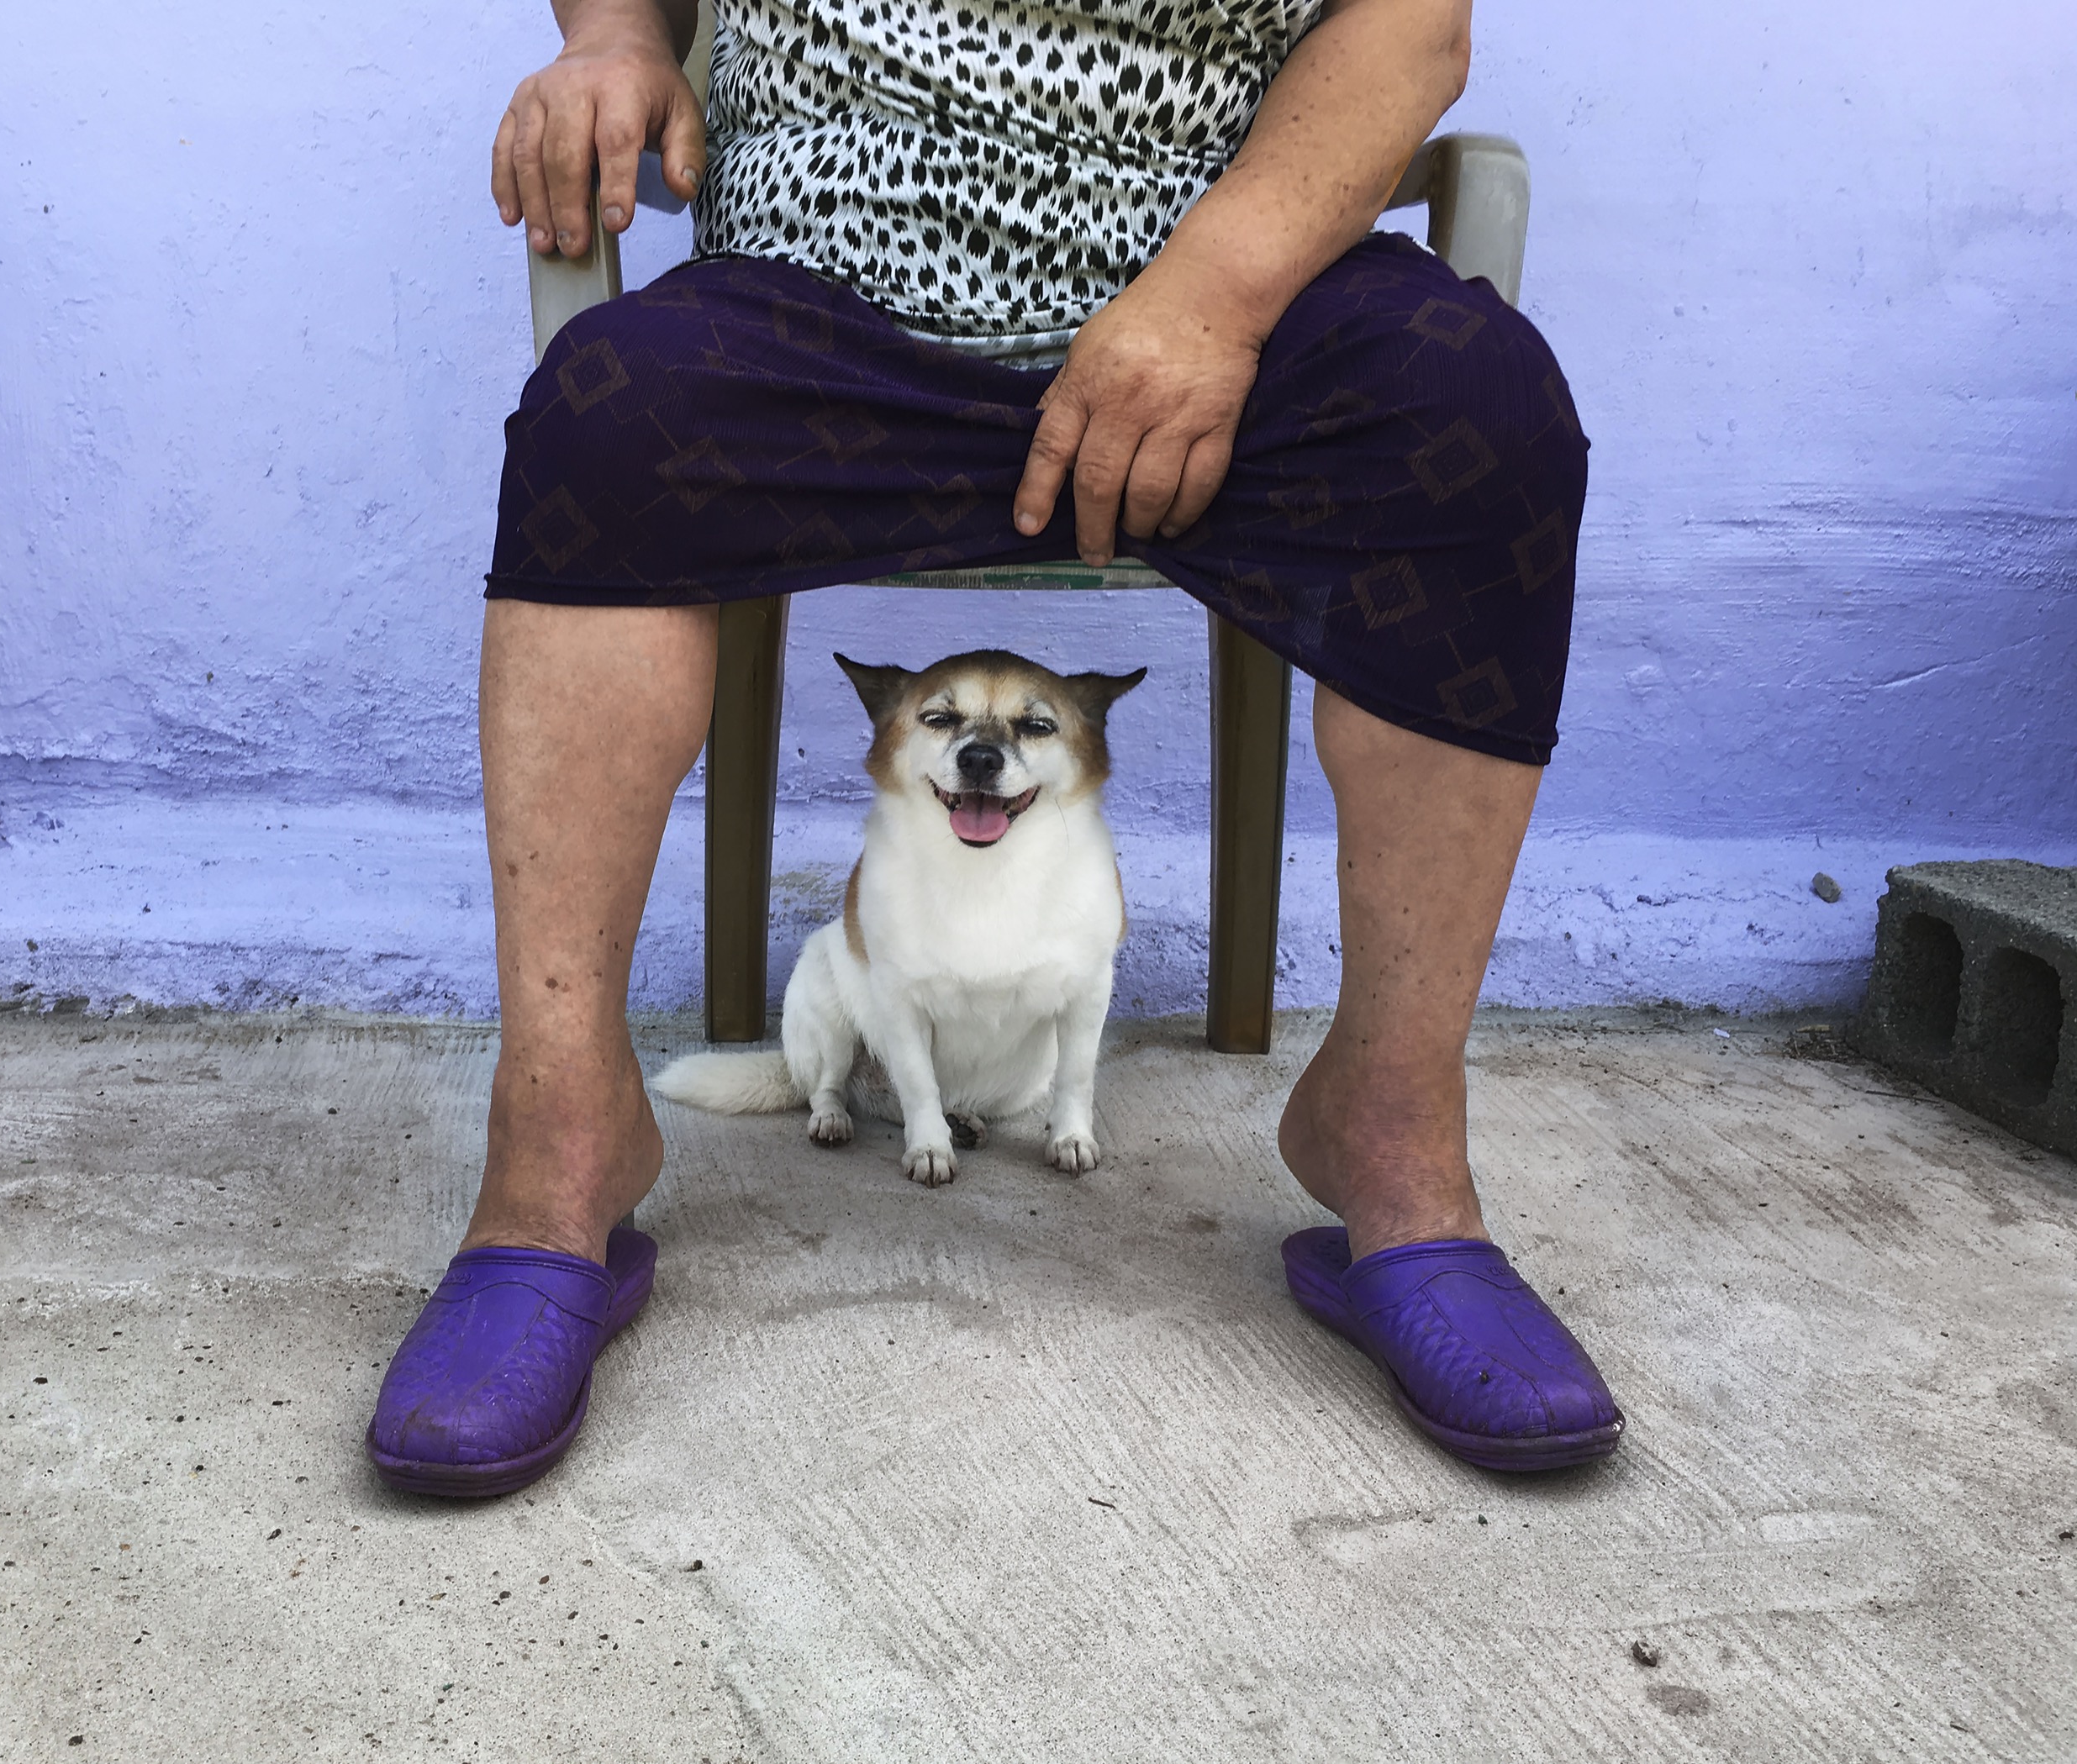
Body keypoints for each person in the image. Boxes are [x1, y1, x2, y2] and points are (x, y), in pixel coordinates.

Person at [361, 0, 1621, 1498]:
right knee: (604, 418)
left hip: (1234, 305)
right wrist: (619, 40)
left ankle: (1394, 1136)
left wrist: (1209, 302)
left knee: (1480, 419)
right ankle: (558, 1145)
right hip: (827, 288)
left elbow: (1410, 27)